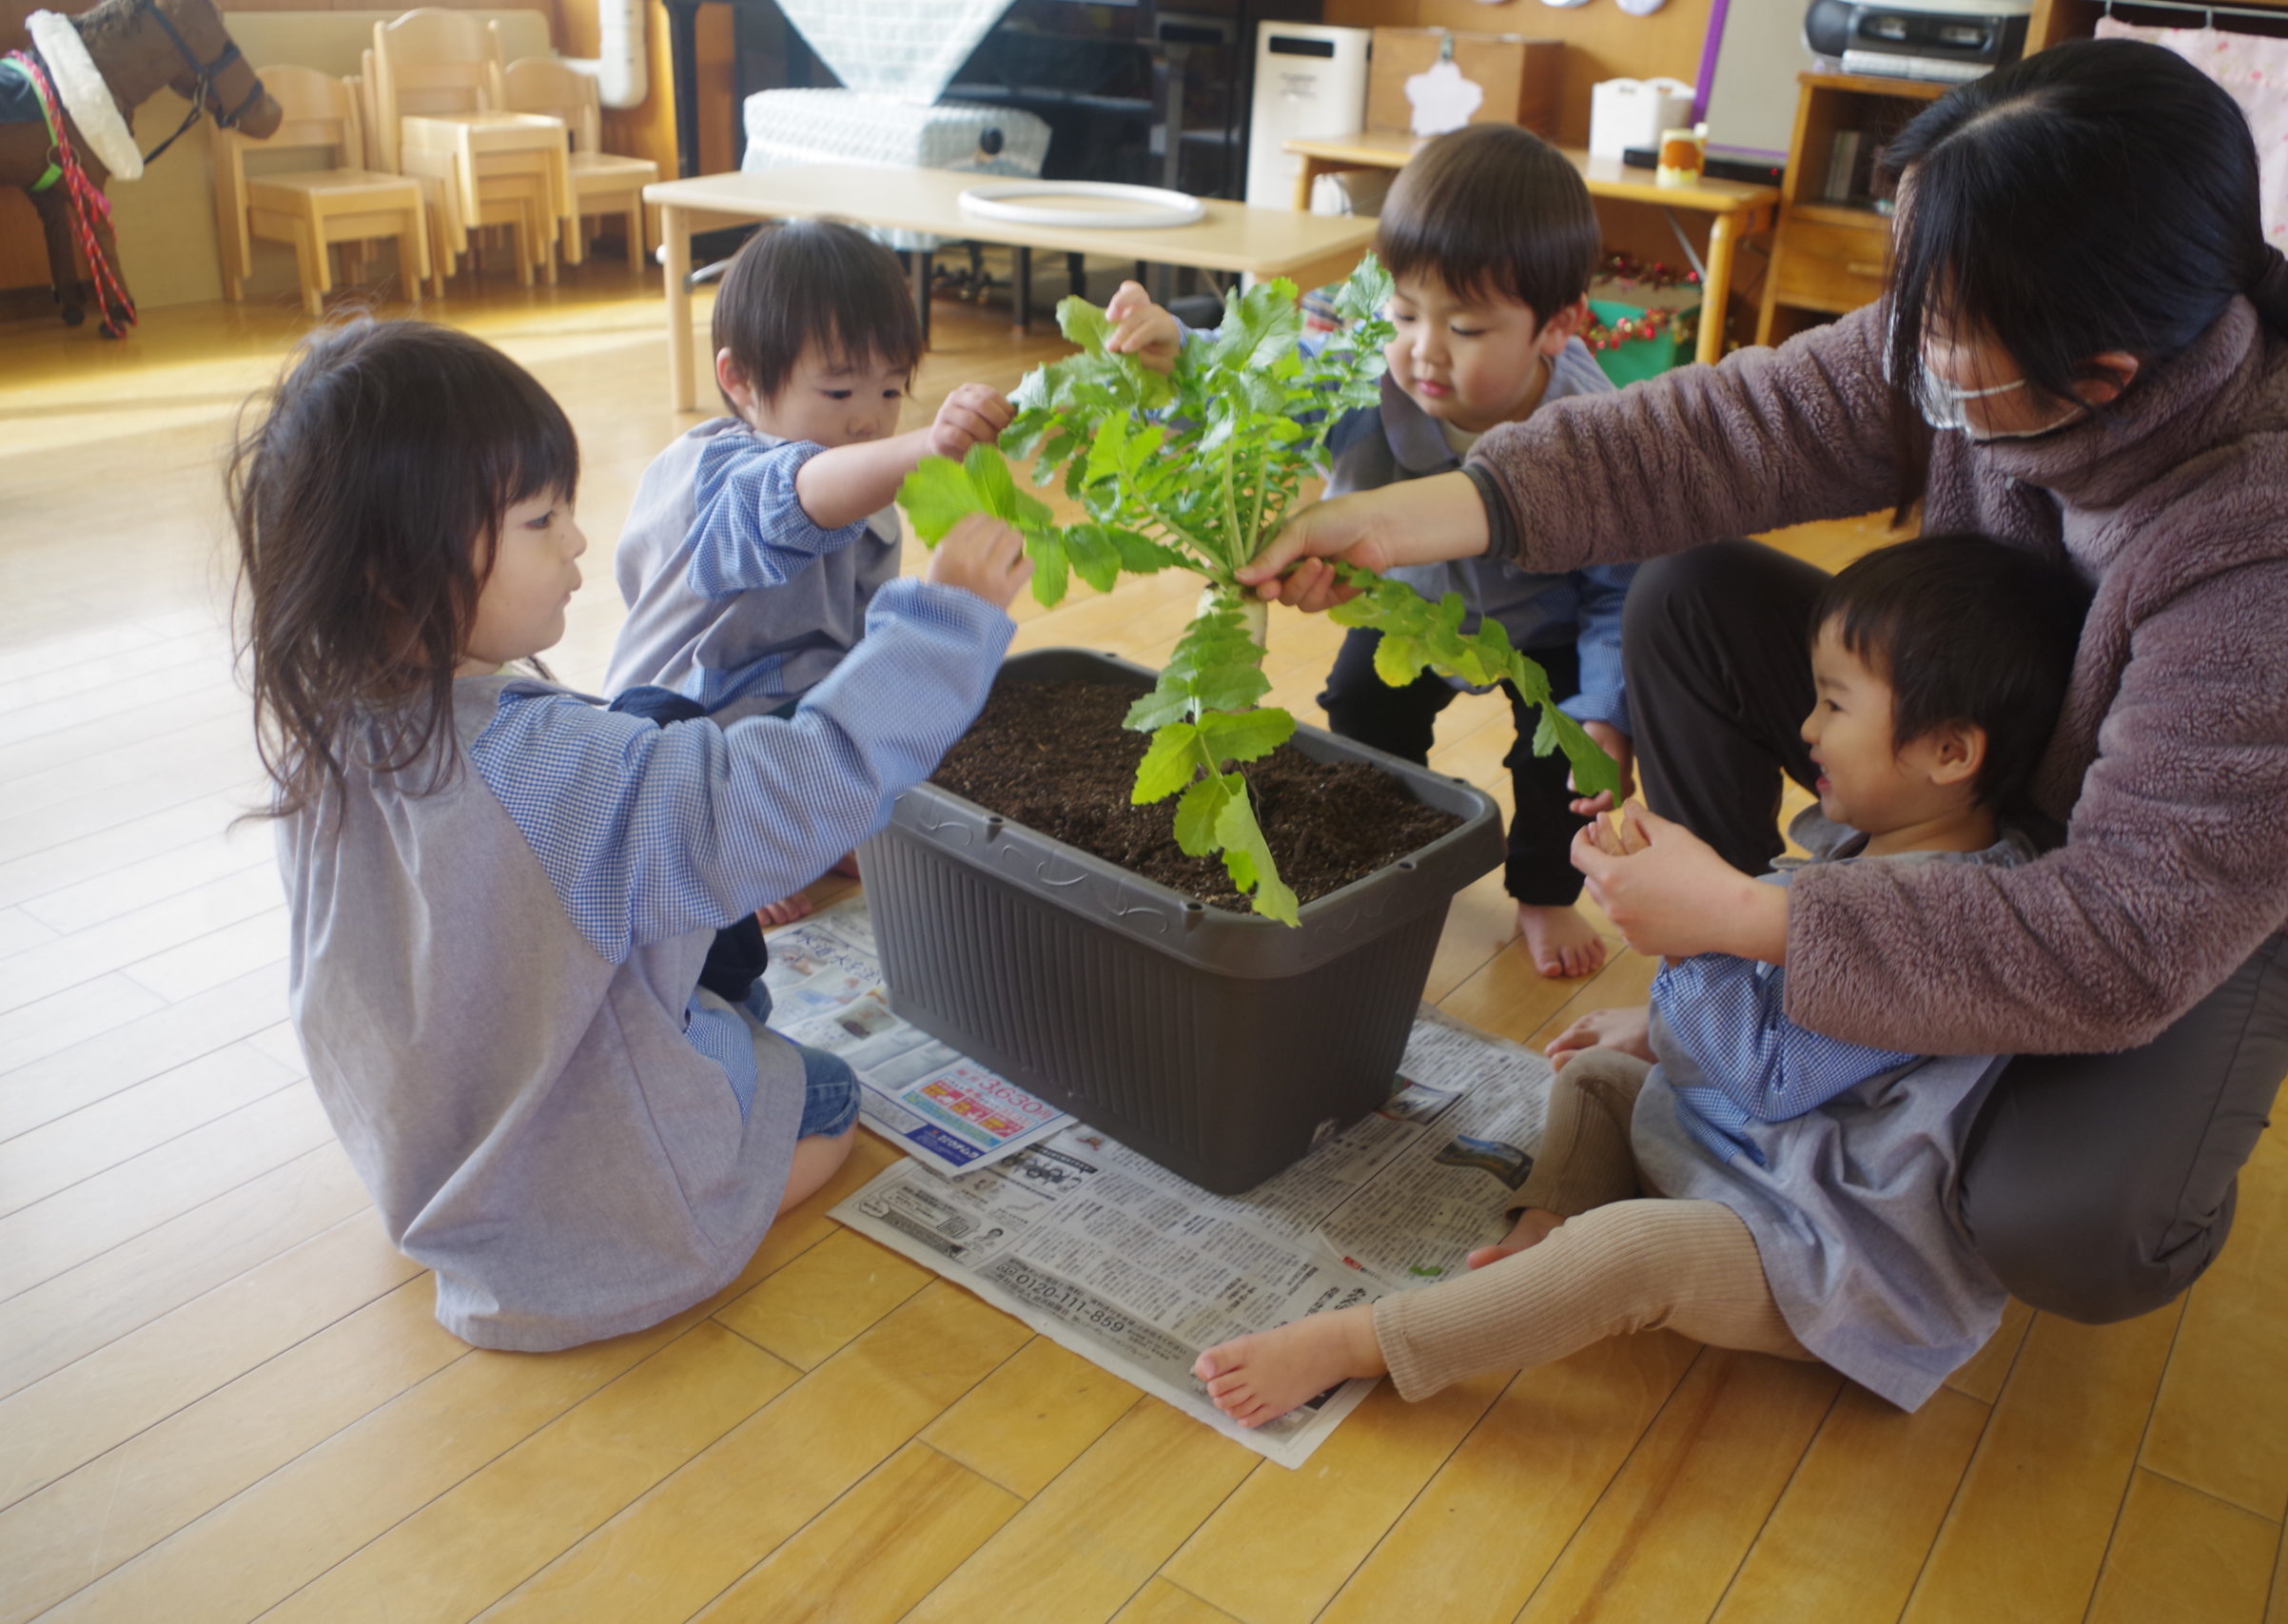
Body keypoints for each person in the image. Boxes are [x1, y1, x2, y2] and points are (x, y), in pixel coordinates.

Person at [1231, 38, 2288, 1327]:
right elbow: (1713, 431)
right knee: (1684, 598)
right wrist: (1416, 512)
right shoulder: (1996, 334)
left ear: (2099, 380)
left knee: (2067, 1220)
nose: (1900, 343)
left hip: (2210, 894)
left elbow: (2129, 935)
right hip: (1991, 749)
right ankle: (1745, 1017)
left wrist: (1758, 919)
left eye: (1937, 323)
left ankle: (1798, 997)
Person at [233, 320, 1031, 1351]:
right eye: (539, 519)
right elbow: (792, 795)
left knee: (651, 718)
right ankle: (656, 1234)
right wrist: (943, 621)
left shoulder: (319, 733)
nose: (575, 542)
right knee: (828, 1096)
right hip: (596, 1184)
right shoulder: (546, 764)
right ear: (397, 569)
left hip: (432, 1155)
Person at [1195, 536, 2086, 1425]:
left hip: (1821, 1244)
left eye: (1834, 703)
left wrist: (1695, 935)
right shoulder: (1890, 852)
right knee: (1594, 1077)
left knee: (1629, 1253)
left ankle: (1371, 1340)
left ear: (1949, 751)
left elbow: (1769, 1076)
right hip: (1766, 1152)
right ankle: (1544, 1237)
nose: (1807, 727)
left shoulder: (1936, 931)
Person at [1102, 123, 1637, 978]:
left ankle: (1544, 891)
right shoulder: (1360, 375)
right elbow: (1260, 383)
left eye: (1466, 328)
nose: (1423, 350)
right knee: (1362, 706)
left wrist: (1604, 707)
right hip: (1406, 607)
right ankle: (1399, 848)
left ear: (1558, 327)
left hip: (1545, 628)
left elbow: (1620, 591)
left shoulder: (1593, 434)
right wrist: (1178, 356)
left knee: (1560, 760)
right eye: (1404, 313)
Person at [605, 217, 1014, 927]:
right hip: (682, 745)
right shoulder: (715, 470)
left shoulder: (865, 493)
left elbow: (862, 649)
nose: (868, 422)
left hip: (780, 722)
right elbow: (793, 498)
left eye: (891, 392)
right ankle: (732, 846)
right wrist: (926, 446)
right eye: (839, 393)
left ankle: (801, 818)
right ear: (739, 381)